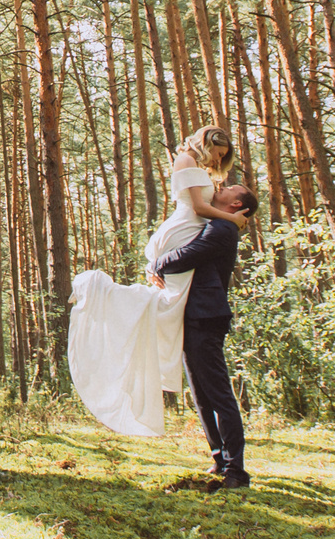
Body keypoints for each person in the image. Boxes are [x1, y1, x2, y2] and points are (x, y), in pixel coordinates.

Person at [66, 127, 248, 439]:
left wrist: (229, 222)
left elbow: (201, 231)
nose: (219, 166)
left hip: (202, 301)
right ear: (207, 142)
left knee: (165, 308)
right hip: (186, 242)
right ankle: (103, 295)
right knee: (166, 307)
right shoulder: (188, 164)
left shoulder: (218, 225)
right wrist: (234, 219)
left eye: (221, 159)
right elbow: (199, 209)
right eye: (217, 155)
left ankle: (230, 465)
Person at [151, 181, 258, 485]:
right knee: (201, 394)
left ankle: (236, 469)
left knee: (218, 393)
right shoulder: (217, 224)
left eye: (231, 188)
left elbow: (188, 254)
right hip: (194, 315)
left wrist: (157, 264)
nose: (222, 186)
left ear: (237, 205)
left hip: (206, 316)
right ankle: (219, 459)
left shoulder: (223, 229)